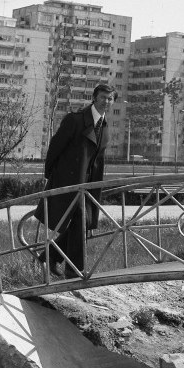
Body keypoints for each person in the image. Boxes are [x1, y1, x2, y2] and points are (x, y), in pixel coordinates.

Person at [35, 83, 114, 278]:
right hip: (68, 181)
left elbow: (98, 160)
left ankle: (49, 257)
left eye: (111, 98)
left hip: (88, 185)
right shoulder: (75, 120)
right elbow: (55, 147)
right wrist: (53, 177)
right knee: (80, 219)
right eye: (103, 97)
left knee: (83, 223)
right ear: (95, 98)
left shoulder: (104, 127)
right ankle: (74, 269)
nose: (107, 101)